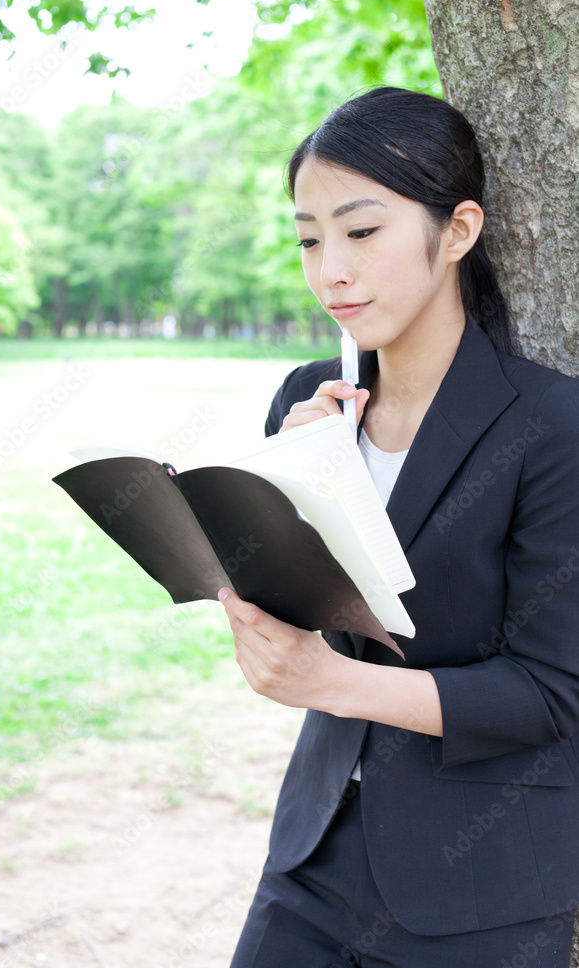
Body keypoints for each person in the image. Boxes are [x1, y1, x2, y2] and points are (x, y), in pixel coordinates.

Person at [216, 87, 579, 967]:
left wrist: (325, 682)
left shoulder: (550, 425)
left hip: (480, 886)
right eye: (308, 238)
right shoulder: (306, 403)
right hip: (311, 854)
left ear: (455, 231)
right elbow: (293, 614)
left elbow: (551, 694)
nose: (329, 268)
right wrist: (289, 487)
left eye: (361, 231)